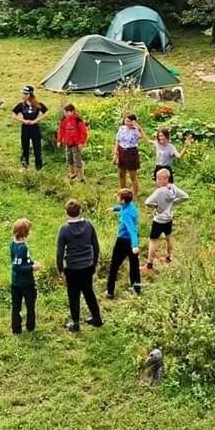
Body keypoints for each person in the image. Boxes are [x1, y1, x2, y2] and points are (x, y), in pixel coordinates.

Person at [56, 199, 102, 332]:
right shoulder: (89, 225)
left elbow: (59, 253)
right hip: (87, 266)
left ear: (66, 213)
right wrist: (94, 263)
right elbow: (96, 246)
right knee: (89, 293)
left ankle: (75, 324)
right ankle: (97, 318)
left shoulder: (64, 230)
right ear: (80, 211)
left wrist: (60, 270)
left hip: (72, 268)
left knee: (73, 295)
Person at [145, 169, 188, 269]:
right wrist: (174, 202)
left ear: (165, 179)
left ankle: (149, 264)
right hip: (169, 219)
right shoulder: (173, 188)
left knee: (153, 241)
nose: (157, 181)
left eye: (159, 179)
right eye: (157, 178)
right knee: (168, 238)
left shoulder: (158, 192)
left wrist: (155, 206)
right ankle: (169, 257)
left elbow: (147, 202)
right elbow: (185, 196)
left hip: (159, 220)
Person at [105, 188, 142, 298]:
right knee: (134, 265)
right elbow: (123, 208)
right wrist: (114, 209)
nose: (116, 197)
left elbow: (132, 229)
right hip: (131, 240)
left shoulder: (126, 214)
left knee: (114, 266)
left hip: (124, 241)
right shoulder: (131, 206)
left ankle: (110, 292)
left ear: (122, 200)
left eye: (118, 196)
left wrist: (134, 245)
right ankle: (136, 289)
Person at [9, 217, 41, 334]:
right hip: (26, 282)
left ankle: (16, 329)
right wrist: (32, 267)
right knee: (30, 305)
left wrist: (31, 262)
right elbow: (17, 266)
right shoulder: (22, 247)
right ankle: (30, 327)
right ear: (26, 233)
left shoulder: (13, 243)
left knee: (16, 306)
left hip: (15, 281)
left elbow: (22, 261)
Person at [12, 85, 48, 171]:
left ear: (30, 94)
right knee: (25, 146)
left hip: (34, 127)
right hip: (25, 127)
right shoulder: (21, 105)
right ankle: (25, 165)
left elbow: (46, 113)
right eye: (23, 93)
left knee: (37, 147)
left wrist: (36, 120)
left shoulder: (37, 104)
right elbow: (13, 115)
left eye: (26, 93)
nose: (23, 95)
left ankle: (38, 167)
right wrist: (23, 120)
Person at [56, 103, 89, 182]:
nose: (66, 114)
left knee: (77, 160)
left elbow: (83, 132)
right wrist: (59, 140)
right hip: (68, 143)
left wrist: (81, 143)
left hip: (76, 144)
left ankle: (80, 177)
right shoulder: (64, 119)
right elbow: (61, 130)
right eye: (65, 112)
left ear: (72, 111)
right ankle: (72, 174)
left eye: (67, 112)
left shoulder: (78, 120)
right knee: (69, 159)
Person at [113, 114, 144, 197]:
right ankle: (122, 192)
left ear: (134, 122)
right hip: (122, 151)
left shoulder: (136, 130)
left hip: (131, 152)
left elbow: (140, 136)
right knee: (121, 174)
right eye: (127, 121)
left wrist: (136, 127)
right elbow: (117, 140)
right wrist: (115, 152)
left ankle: (134, 194)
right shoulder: (121, 128)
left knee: (132, 175)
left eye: (130, 121)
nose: (128, 123)